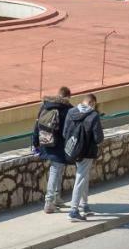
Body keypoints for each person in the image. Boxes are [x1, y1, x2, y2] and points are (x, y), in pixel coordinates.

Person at [62, 92, 104, 221]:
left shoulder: (71, 112)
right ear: (92, 103)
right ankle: (74, 210)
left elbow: (64, 133)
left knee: (83, 176)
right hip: (87, 151)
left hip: (73, 150)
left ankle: (84, 205)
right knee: (81, 178)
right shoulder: (93, 116)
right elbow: (98, 138)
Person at [31, 86, 72, 214]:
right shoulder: (67, 109)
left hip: (46, 143)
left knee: (58, 170)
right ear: (68, 96)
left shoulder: (45, 106)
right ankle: (49, 202)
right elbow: (69, 130)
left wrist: (35, 143)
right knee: (55, 171)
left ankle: (56, 197)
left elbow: (37, 125)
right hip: (59, 146)